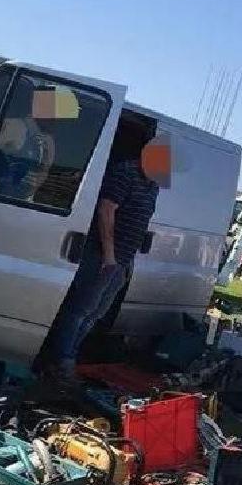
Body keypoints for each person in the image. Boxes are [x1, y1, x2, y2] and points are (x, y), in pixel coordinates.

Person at [45, 125, 168, 382]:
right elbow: (106, 209)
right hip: (103, 256)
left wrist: (125, 263)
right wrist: (109, 256)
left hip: (123, 260)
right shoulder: (126, 173)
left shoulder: (152, 185)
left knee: (96, 313)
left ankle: (70, 356)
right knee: (80, 310)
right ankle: (60, 361)